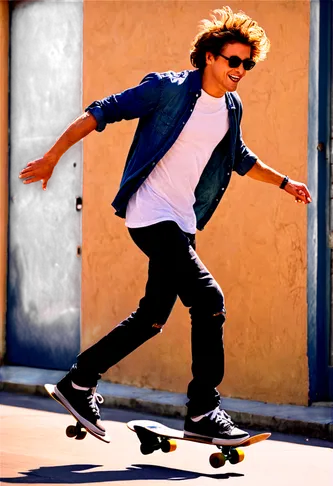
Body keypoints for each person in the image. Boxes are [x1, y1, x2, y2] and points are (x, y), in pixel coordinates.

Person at [19, 6, 312, 445]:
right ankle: (203, 409)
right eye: (234, 60)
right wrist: (52, 158)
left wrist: (286, 183)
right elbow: (101, 112)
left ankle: (78, 382)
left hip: (181, 220)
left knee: (152, 317)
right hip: (149, 214)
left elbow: (238, 158)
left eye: (248, 64)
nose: (241, 70)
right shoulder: (167, 89)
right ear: (210, 56)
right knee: (209, 300)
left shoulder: (232, 106)